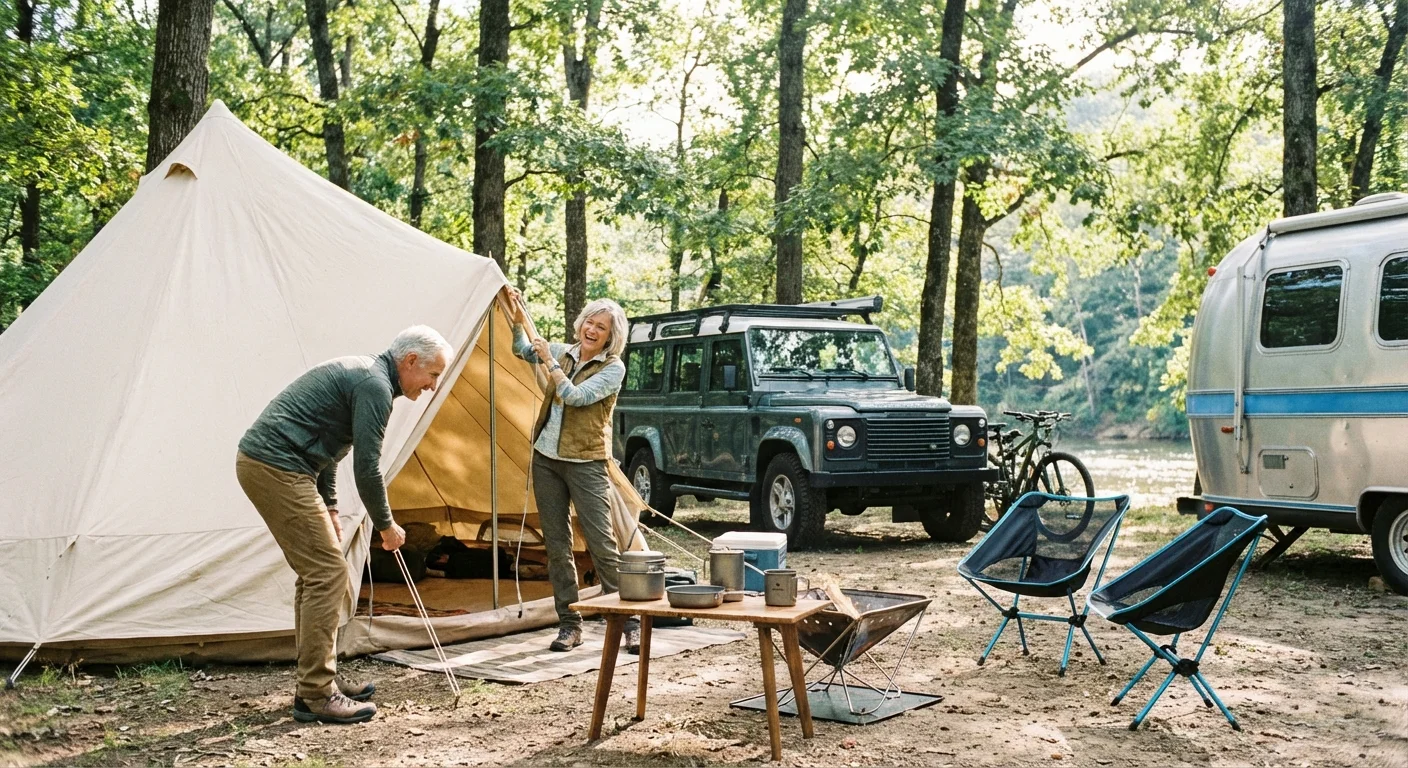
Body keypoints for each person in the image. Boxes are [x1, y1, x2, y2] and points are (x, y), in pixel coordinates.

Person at [236, 325, 452, 724]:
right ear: (409, 362)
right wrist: (386, 526)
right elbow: (367, 468)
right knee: (327, 573)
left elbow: (332, 448)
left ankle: (316, 682)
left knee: (317, 573)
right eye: (432, 374)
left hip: (283, 467)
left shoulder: (368, 376)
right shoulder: (374, 385)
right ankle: (317, 695)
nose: (432, 386)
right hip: (274, 467)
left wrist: (331, 506)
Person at [508, 292, 638, 654]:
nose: (591, 330)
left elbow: (576, 396)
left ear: (611, 336)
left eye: (600, 327)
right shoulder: (563, 351)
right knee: (557, 546)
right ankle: (569, 625)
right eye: (589, 322)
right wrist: (517, 316)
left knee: (602, 545)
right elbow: (521, 349)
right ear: (580, 322)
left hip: (586, 461)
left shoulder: (613, 368)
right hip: (546, 458)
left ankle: (628, 623)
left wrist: (550, 362)